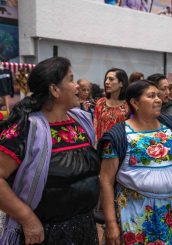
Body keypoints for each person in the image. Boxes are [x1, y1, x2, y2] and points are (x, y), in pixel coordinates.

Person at [0, 57, 100, 244]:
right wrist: (27, 218)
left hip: (84, 227)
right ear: (55, 90)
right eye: (71, 79)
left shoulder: (81, 121)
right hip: (44, 233)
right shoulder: (26, 128)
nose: (77, 86)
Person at [97, 80, 172, 244]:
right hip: (137, 218)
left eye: (158, 95)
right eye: (151, 96)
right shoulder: (118, 136)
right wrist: (111, 223)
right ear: (135, 102)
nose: (158, 99)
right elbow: (106, 181)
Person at [94, 68, 130, 141]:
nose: (106, 82)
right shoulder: (101, 103)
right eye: (106, 79)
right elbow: (95, 127)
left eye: (111, 79)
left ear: (121, 83)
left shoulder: (129, 105)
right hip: (102, 147)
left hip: (122, 147)